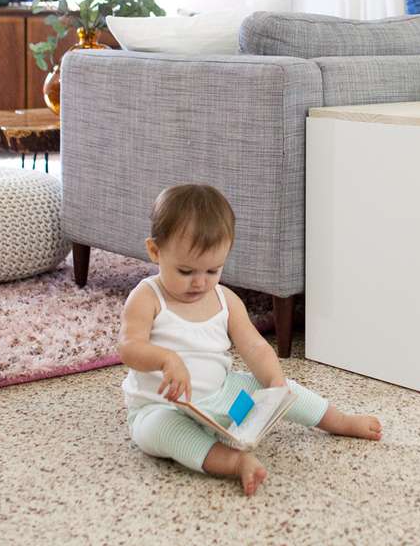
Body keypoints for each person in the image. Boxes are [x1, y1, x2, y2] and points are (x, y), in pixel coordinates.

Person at [119, 184, 382, 496]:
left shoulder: (225, 299)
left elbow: (255, 346)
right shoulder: (148, 297)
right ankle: (233, 463)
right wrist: (166, 359)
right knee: (163, 432)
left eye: (213, 270)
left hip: (220, 397)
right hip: (161, 406)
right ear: (154, 251)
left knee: (279, 389)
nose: (201, 282)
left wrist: (274, 383)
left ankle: (338, 420)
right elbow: (129, 347)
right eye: (186, 271)